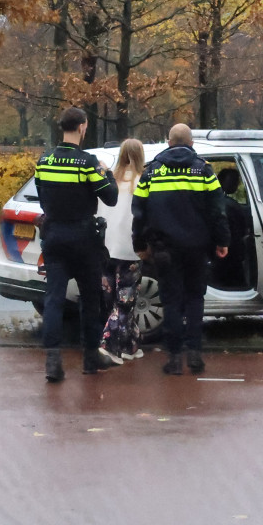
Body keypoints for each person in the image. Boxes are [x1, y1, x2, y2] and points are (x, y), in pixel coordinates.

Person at [131, 124, 230, 375]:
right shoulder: (204, 170)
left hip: (165, 250)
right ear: (191, 143)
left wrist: (140, 245)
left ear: (168, 142)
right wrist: (222, 241)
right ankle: (195, 355)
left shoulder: (151, 172)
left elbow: (139, 212)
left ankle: (174, 358)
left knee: (171, 302)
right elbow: (218, 210)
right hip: (197, 248)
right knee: (195, 300)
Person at [35, 107, 118, 382]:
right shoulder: (88, 162)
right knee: (90, 298)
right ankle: (90, 358)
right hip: (83, 239)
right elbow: (110, 198)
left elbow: (43, 196)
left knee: (54, 298)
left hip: (54, 236)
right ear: (82, 127)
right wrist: (109, 175)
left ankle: (52, 361)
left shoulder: (44, 160)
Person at [96, 138, 147, 364]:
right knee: (126, 301)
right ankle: (109, 346)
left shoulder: (111, 182)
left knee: (112, 300)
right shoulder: (141, 182)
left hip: (107, 247)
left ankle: (130, 345)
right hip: (130, 249)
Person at [214, 168, 250, 288]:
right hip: (230, 251)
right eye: (235, 181)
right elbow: (243, 230)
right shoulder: (231, 206)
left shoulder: (216, 201)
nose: (238, 184)